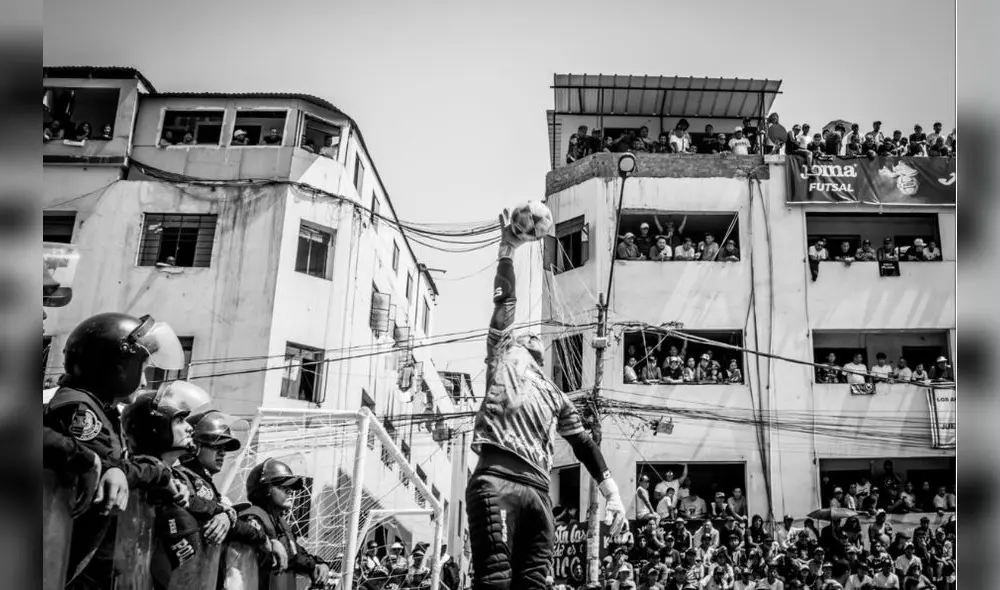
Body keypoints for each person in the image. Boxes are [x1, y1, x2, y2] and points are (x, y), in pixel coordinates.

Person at [467, 210, 627, 590]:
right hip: (496, 478)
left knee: (534, 584)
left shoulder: (556, 394)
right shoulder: (503, 351)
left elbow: (584, 444)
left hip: (539, 491)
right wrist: (508, 248)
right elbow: (506, 303)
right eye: (530, 336)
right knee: (495, 581)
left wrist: (613, 494)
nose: (535, 338)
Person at [44, 312, 188, 590]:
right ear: (116, 366)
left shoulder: (102, 410)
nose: (145, 382)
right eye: (142, 368)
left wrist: (160, 482)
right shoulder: (78, 409)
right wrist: (158, 471)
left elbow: (122, 467)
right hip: (71, 570)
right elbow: (113, 468)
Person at [122, 383, 213, 589]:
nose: (190, 427)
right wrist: (162, 475)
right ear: (157, 428)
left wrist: (228, 514)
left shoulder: (179, 478)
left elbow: (209, 504)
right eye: (180, 420)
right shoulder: (137, 473)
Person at [228, 458, 331, 589]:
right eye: (283, 487)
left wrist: (318, 564)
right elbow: (285, 555)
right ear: (265, 489)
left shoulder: (280, 524)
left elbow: (296, 554)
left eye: (291, 488)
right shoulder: (252, 518)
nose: (290, 491)